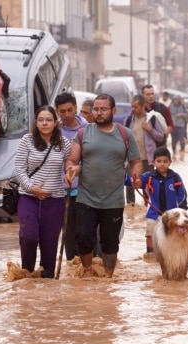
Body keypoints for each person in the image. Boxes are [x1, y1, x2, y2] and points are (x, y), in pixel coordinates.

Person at [64, 94, 143, 277]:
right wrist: (71, 170)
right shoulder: (83, 133)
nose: (99, 113)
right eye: (96, 109)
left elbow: (136, 161)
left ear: (113, 111)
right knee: (83, 238)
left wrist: (136, 176)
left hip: (113, 200)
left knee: (110, 243)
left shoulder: (125, 134)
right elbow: (72, 160)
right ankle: (88, 272)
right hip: (86, 198)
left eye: (103, 109)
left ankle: (108, 278)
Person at [13, 105, 72, 278]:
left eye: (48, 120)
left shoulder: (64, 143)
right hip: (28, 198)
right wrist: (32, 188)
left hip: (55, 201)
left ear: (55, 123)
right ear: (36, 122)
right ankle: (27, 274)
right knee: (28, 236)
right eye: (41, 120)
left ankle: (47, 282)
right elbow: (19, 169)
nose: (44, 123)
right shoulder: (27, 140)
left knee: (50, 243)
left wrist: (69, 173)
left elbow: (71, 162)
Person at [55, 92, 88, 261]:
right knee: (67, 233)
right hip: (62, 190)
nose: (67, 115)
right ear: (57, 111)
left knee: (84, 232)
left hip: (85, 190)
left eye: (70, 110)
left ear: (76, 108)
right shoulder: (54, 131)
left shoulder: (87, 129)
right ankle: (71, 266)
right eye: (62, 111)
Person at [136, 146, 188, 256]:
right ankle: (150, 254)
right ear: (153, 162)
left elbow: (182, 194)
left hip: (172, 215)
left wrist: (182, 210)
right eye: (159, 161)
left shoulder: (175, 177)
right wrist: (134, 181)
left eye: (165, 161)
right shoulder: (149, 176)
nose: (162, 164)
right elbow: (137, 182)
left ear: (170, 162)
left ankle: (173, 255)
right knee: (150, 233)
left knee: (173, 235)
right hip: (154, 214)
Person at [125, 93, 164, 174]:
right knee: (130, 185)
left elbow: (161, 137)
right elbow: (123, 139)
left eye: (136, 107)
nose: (133, 109)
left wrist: (150, 130)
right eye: (132, 106)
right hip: (132, 160)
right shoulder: (128, 120)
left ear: (143, 106)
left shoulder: (152, 119)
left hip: (148, 160)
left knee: (148, 186)